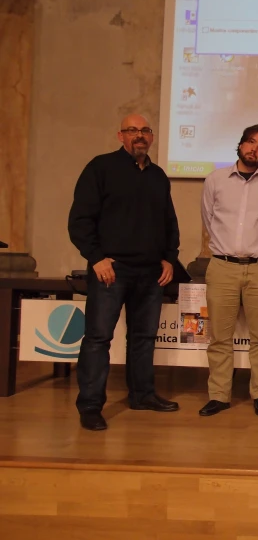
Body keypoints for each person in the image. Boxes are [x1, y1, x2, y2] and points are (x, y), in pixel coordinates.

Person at [68, 114, 181, 431]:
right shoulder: (101, 168)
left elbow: (169, 223)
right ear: (121, 136)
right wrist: (96, 258)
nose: (139, 136)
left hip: (150, 274)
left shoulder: (159, 176)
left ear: (152, 138)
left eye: (145, 130)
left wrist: (169, 258)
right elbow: (80, 221)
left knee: (144, 338)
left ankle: (142, 395)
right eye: (132, 130)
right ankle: (90, 405)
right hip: (111, 271)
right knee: (98, 339)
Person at [199, 124, 258, 418]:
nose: (254, 149)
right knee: (219, 338)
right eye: (250, 142)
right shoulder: (215, 180)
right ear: (240, 144)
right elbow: (209, 220)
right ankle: (219, 395)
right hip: (222, 266)